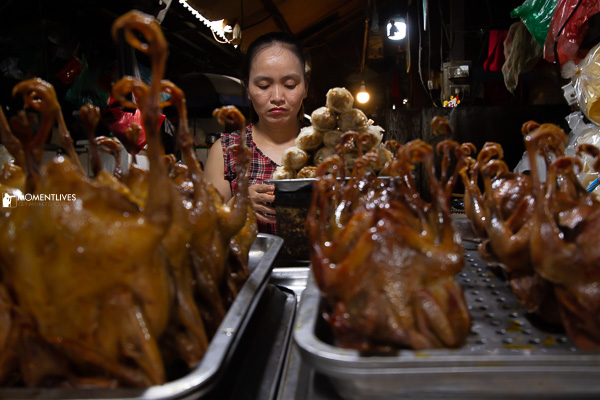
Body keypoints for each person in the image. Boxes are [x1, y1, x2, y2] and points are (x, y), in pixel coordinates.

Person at [204, 32, 309, 234]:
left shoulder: (328, 148)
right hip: (249, 265)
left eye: (290, 85)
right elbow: (205, 230)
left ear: (305, 87)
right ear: (248, 89)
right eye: (263, 86)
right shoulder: (227, 151)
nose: (277, 97)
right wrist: (238, 205)